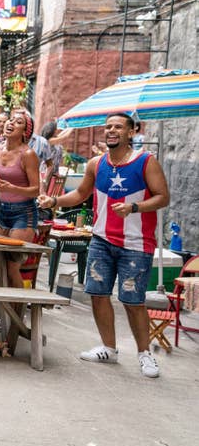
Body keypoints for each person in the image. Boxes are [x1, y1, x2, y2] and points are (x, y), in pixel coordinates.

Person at [38, 113, 169, 378]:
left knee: (133, 301)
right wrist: (54, 202)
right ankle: (109, 348)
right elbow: (80, 194)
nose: (111, 130)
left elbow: (162, 197)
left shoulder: (146, 161)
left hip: (136, 244)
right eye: (108, 126)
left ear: (131, 132)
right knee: (97, 295)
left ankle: (145, 354)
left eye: (118, 127)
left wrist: (135, 207)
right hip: (101, 239)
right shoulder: (96, 163)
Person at [0, 108, 39, 287]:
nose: (11, 123)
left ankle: (16, 313)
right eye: (11, 120)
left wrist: (12, 187)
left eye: (18, 122)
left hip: (23, 214)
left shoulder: (28, 154)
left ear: (25, 132)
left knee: (12, 265)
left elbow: (36, 190)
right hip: (2, 211)